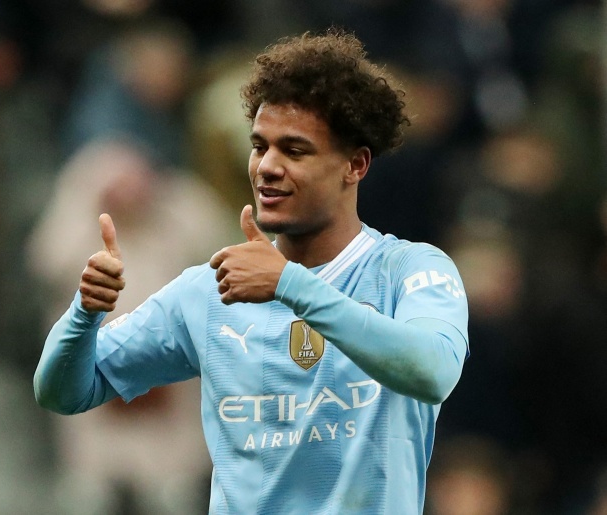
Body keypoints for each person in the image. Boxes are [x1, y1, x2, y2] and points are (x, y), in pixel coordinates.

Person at [35, 29, 469, 514]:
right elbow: (61, 391)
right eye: (260, 146)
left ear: (355, 165)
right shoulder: (211, 289)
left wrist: (290, 284)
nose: (267, 167)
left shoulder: (409, 270)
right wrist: (85, 314)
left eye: (295, 151)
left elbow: (433, 371)